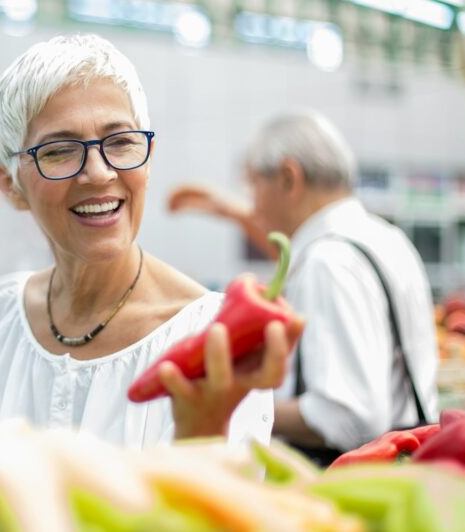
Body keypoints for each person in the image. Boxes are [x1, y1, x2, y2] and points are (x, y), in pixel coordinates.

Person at [0, 34, 302, 451]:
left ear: (148, 158)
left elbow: (221, 510)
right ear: (10, 186)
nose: (98, 172)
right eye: (59, 151)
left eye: (121, 142)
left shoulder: (211, 337)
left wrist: (203, 428)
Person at [169, 110, 438, 464]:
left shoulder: (327, 262)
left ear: (287, 178)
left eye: (253, 184)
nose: (253, 203)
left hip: (346, 486)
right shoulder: (386, 239)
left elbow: (349, 417)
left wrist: (237, 404)